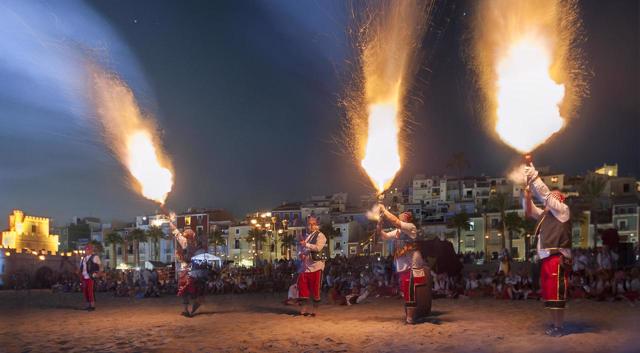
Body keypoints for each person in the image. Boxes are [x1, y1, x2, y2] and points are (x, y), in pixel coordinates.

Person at [523, 163, 572, 337]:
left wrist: (535, 176)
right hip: (546, 259)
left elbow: (545, 196)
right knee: (549, 294)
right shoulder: (545, 215)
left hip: (556, 258)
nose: (551, 198)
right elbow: (529, 211)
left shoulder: (563, 211)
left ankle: (559, 327)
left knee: (557, 294)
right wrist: (527, 192)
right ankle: (555, 325)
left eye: (554, 197)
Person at [377, 207, 428, 324]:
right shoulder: (398, 232)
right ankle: (410, 315)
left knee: (410, 289)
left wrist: (384, 210)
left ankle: (410, 318)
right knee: (405, 290)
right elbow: (383, 236)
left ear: (407, 218)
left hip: (413, 262)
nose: (401, 215)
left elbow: (395, 221)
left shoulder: (411, 227)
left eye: (403, 214)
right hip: (403, 264)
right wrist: (379, 224)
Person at [170, 218, 207, 317]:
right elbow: (177, 234)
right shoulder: (192, 245)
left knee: (190, 291)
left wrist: (171, 224)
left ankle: (190, 309)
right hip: (190, 272)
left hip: (191, 272)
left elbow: (177, 234)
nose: (185, 237)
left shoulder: (190, 245)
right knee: (186, 291)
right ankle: (187, 310)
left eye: (186, 235)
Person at [297, 216, 327, 317]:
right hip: (304, 267)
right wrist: (300, 254)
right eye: (309, 224)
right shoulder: (305, 236)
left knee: (315, 289)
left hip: (316, 266)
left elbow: (318, 248)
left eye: (313, 224)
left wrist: (306, 245)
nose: (311, 226)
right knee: (302, 288)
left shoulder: (320, 235)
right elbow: (300, 250)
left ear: (316, 224)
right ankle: (303, 309)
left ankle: (315, 311)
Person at [78, 244, 101, 311]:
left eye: (87, 249)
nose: (85, 251)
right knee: (85, 291)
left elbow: (100, 266)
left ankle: (92, 305)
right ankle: (88, 305)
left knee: (90, 291)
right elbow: (81, 267)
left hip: (90, 276)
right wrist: (79, 273)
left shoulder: (95, 257)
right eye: (85, 249)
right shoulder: (83, 258)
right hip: (84, 276)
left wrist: (98, 273)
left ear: (91, 250)